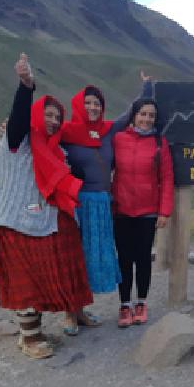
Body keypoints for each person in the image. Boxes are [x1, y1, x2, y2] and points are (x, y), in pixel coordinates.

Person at [0, 53, 94, 359]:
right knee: (26, 281)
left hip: (41, 220)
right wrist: (26, 86)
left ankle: (46, 326)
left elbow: (77, 175)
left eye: (57, 117)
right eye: (48, 115)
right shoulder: (16, 139)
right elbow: (20, 116)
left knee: (52, 269)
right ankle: (30, 338)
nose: (54, 121)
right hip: (14, 221)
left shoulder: (55, 150)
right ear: (36, 115)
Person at [56, 85, 122, 335]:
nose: (93, 107)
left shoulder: (106, 132)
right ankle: (69, 315)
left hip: (101, 203)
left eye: (97, 103)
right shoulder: (66, 131)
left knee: (90, 258)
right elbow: (41, 136)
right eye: (88, 103)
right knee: (74, 255)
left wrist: (148, 88)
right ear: (78, 105)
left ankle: (81, 311)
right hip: (77, 203)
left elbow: (130, 116)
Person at [111, 96, 174, 328]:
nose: (147, 119)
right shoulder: (118, 139)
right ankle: (125, 305)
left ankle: (141, 303)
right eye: (143, 114)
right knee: (124, 260)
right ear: (134, 115)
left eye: (151, 115)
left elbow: (166, 178)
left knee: (143, 259)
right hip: (121, 209)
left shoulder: (159, 143)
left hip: (148, 211)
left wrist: (164, 211)